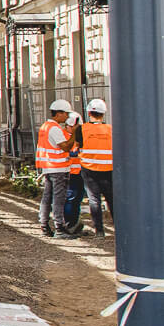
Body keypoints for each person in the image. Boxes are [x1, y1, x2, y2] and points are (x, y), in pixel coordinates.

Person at [36, 98, 76, 238]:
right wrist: (75, 134)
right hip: (58, 168)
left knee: (47, 197)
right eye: (66, 114)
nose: (67, 117)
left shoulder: (45, 126)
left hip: (48, 167)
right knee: (58, 198)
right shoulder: (54, 128)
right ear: (58, 113)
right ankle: (60, 228)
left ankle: (44, 225)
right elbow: (65, 146)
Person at [79, 98, 114, 237]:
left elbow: (76, 146)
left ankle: (99, 231)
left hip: (89, 169)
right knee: (111, 199)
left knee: (94, 199)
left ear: (89, 113)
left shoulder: (82, 129)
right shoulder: (111, 130)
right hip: (108, 169)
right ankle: (120, 227)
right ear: (103, 114)